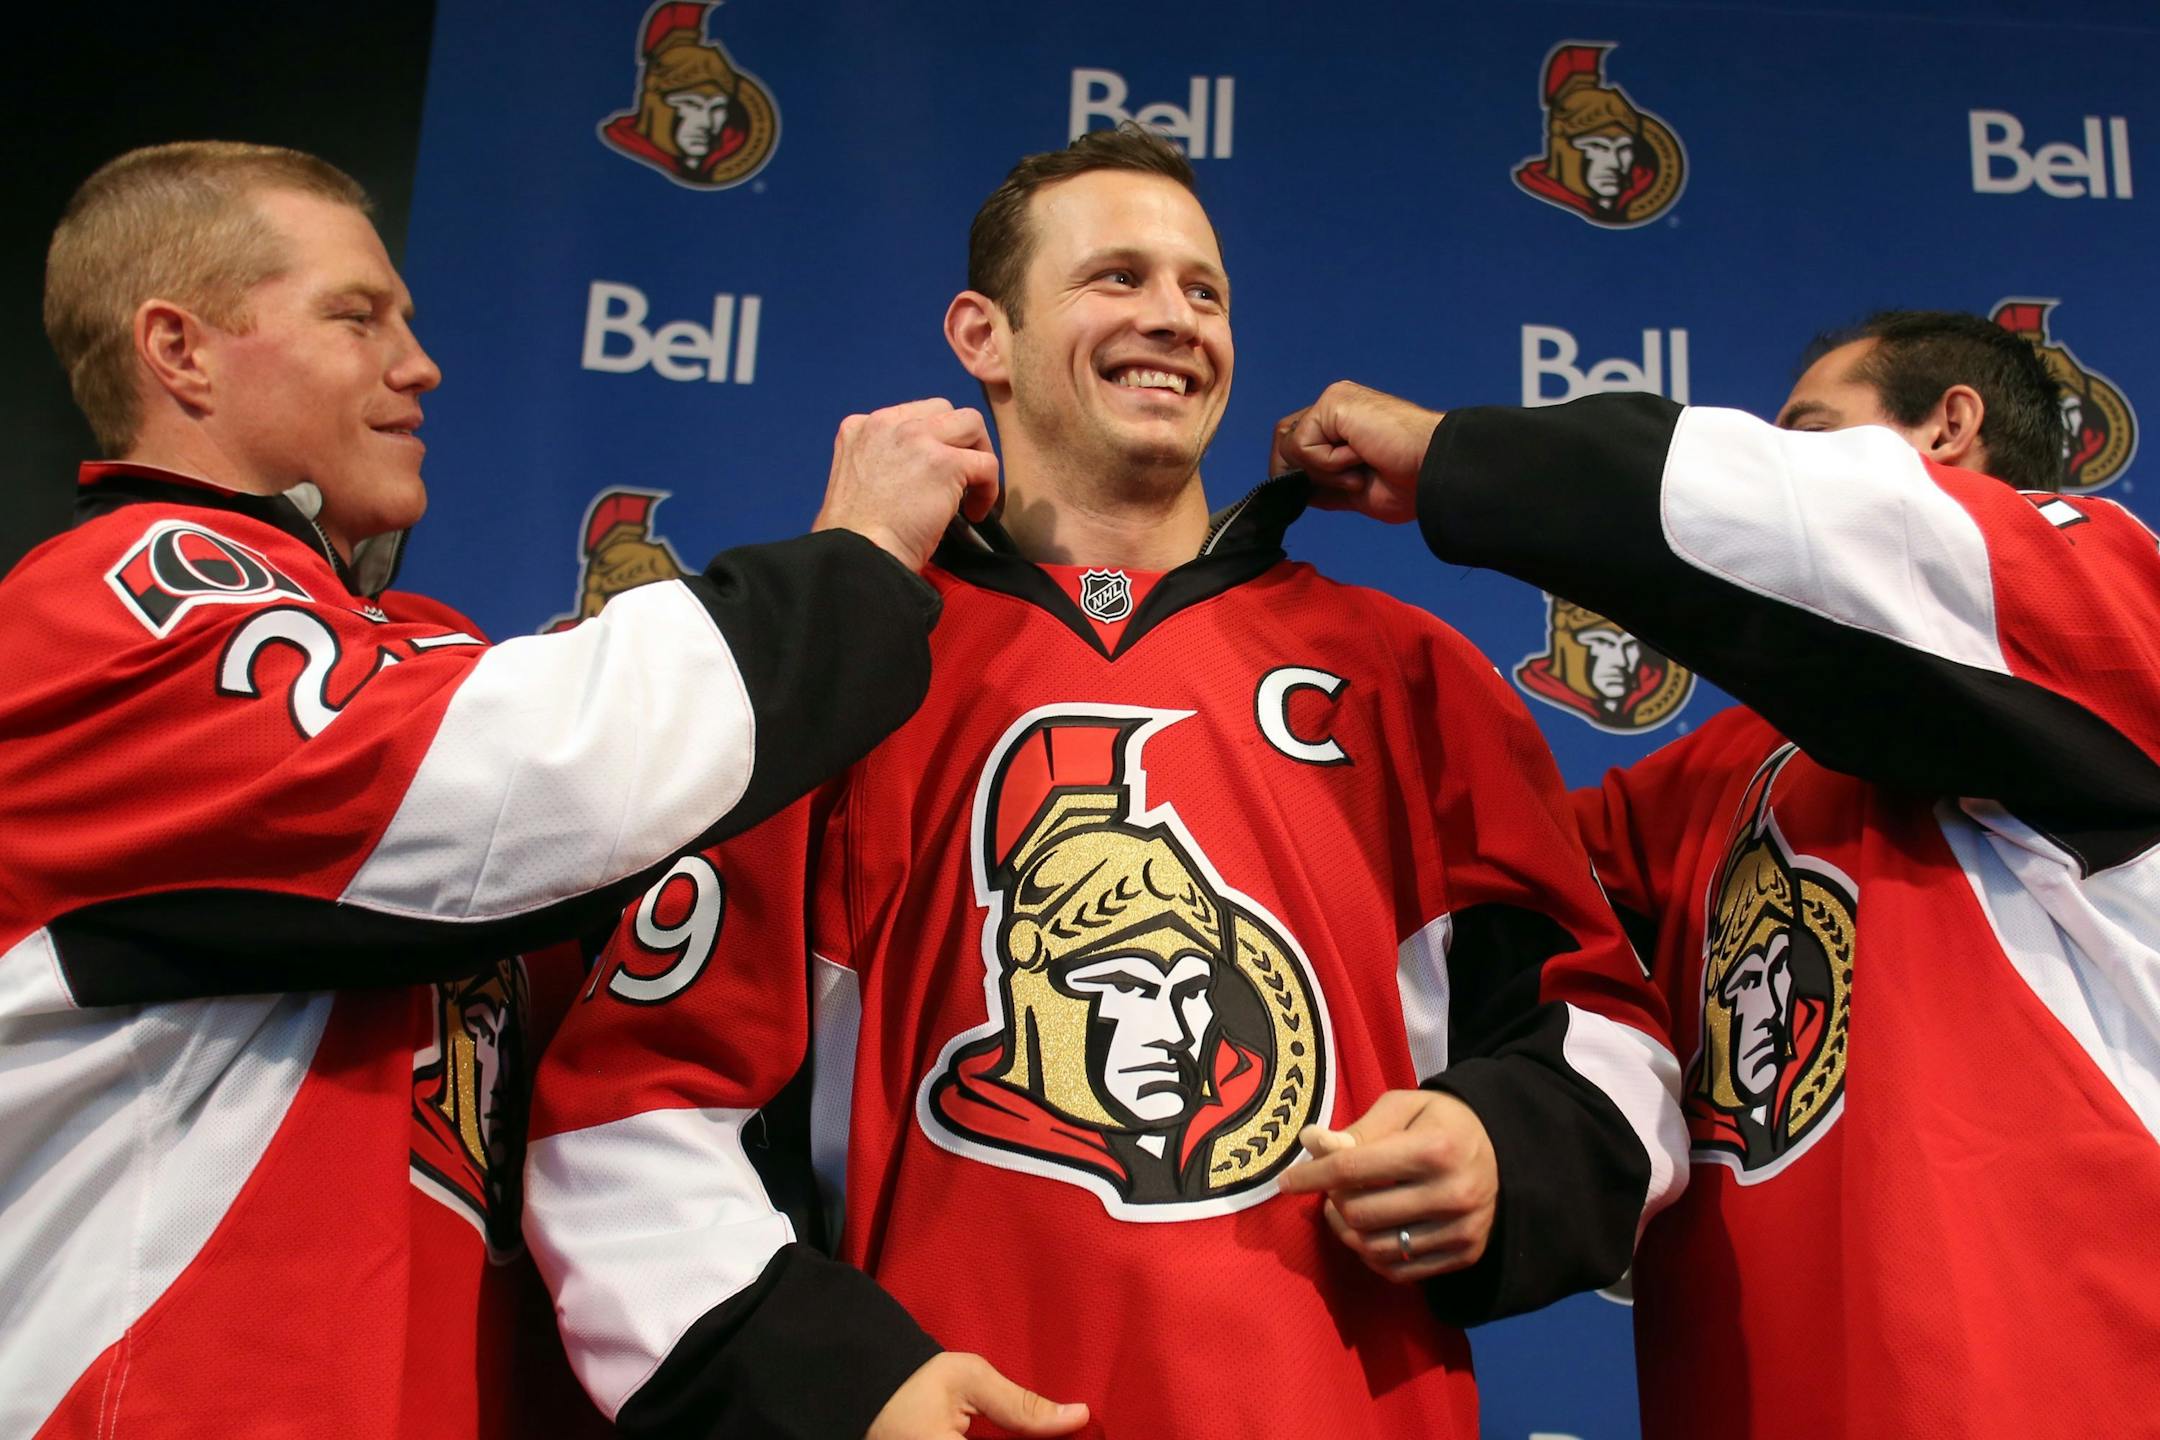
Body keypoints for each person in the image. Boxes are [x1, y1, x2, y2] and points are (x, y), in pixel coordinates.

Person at [524, 125, 1688, 1440]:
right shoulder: (827, 677)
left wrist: (1506, 1148)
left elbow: (1610, 1034)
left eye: (1205, 291)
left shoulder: (1406, 676)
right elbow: (632, 1112)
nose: (1174, 320)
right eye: (1117, 279)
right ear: (983, 334)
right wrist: (841, 1388)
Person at [0, 140, 995, 1440]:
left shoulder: (414, 652)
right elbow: (507, 783)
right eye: (357, 316)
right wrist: (853, 565)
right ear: (179, 352)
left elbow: (621, 1024)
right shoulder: (109, 611)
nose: (420, 364)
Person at [1274, 311, 2160, 1438]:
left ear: (1949, 428)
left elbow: (1827, 529)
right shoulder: (1713, 784)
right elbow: (1469, 899)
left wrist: (1461, 455)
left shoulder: (2106, 605)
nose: (1776, 459)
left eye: (1809, 434)